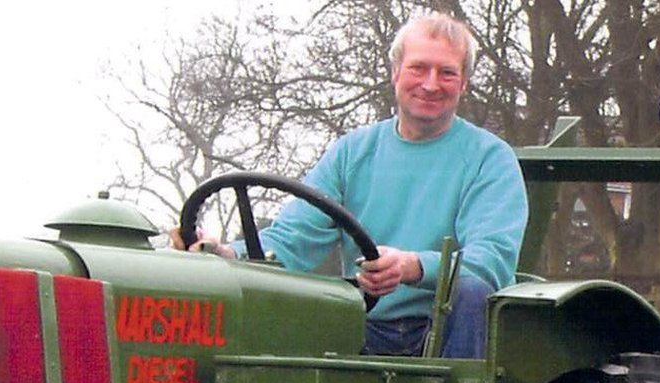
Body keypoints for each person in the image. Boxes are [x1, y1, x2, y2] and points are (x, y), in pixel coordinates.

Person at [175, 11, 527, 359]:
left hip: (443, 332)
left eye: (447, 73)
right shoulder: (352, 153)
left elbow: (490, 263)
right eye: (418, 68)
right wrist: (225, 255)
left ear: (463, 83)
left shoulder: (489, 158)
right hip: (362, 325)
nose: (431, 84)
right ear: (395, 73)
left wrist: (412, 266)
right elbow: (293, 238)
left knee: (471, 291)